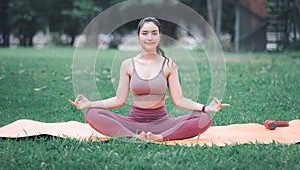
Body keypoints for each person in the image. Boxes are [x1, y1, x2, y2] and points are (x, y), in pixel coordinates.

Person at [69, 17, 230, 142]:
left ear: (159, 36)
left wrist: (205, 108)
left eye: (154, 33)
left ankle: (159, 137)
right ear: (138, 36)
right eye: (145, 33)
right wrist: (90, 103)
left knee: (204, 119)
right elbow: (119, 99)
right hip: (133, 122)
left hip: (162, 123)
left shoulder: (169, 65)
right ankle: (132, 136)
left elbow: (179, 100)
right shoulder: (127, 65)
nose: (149, 37)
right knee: (92, 113)